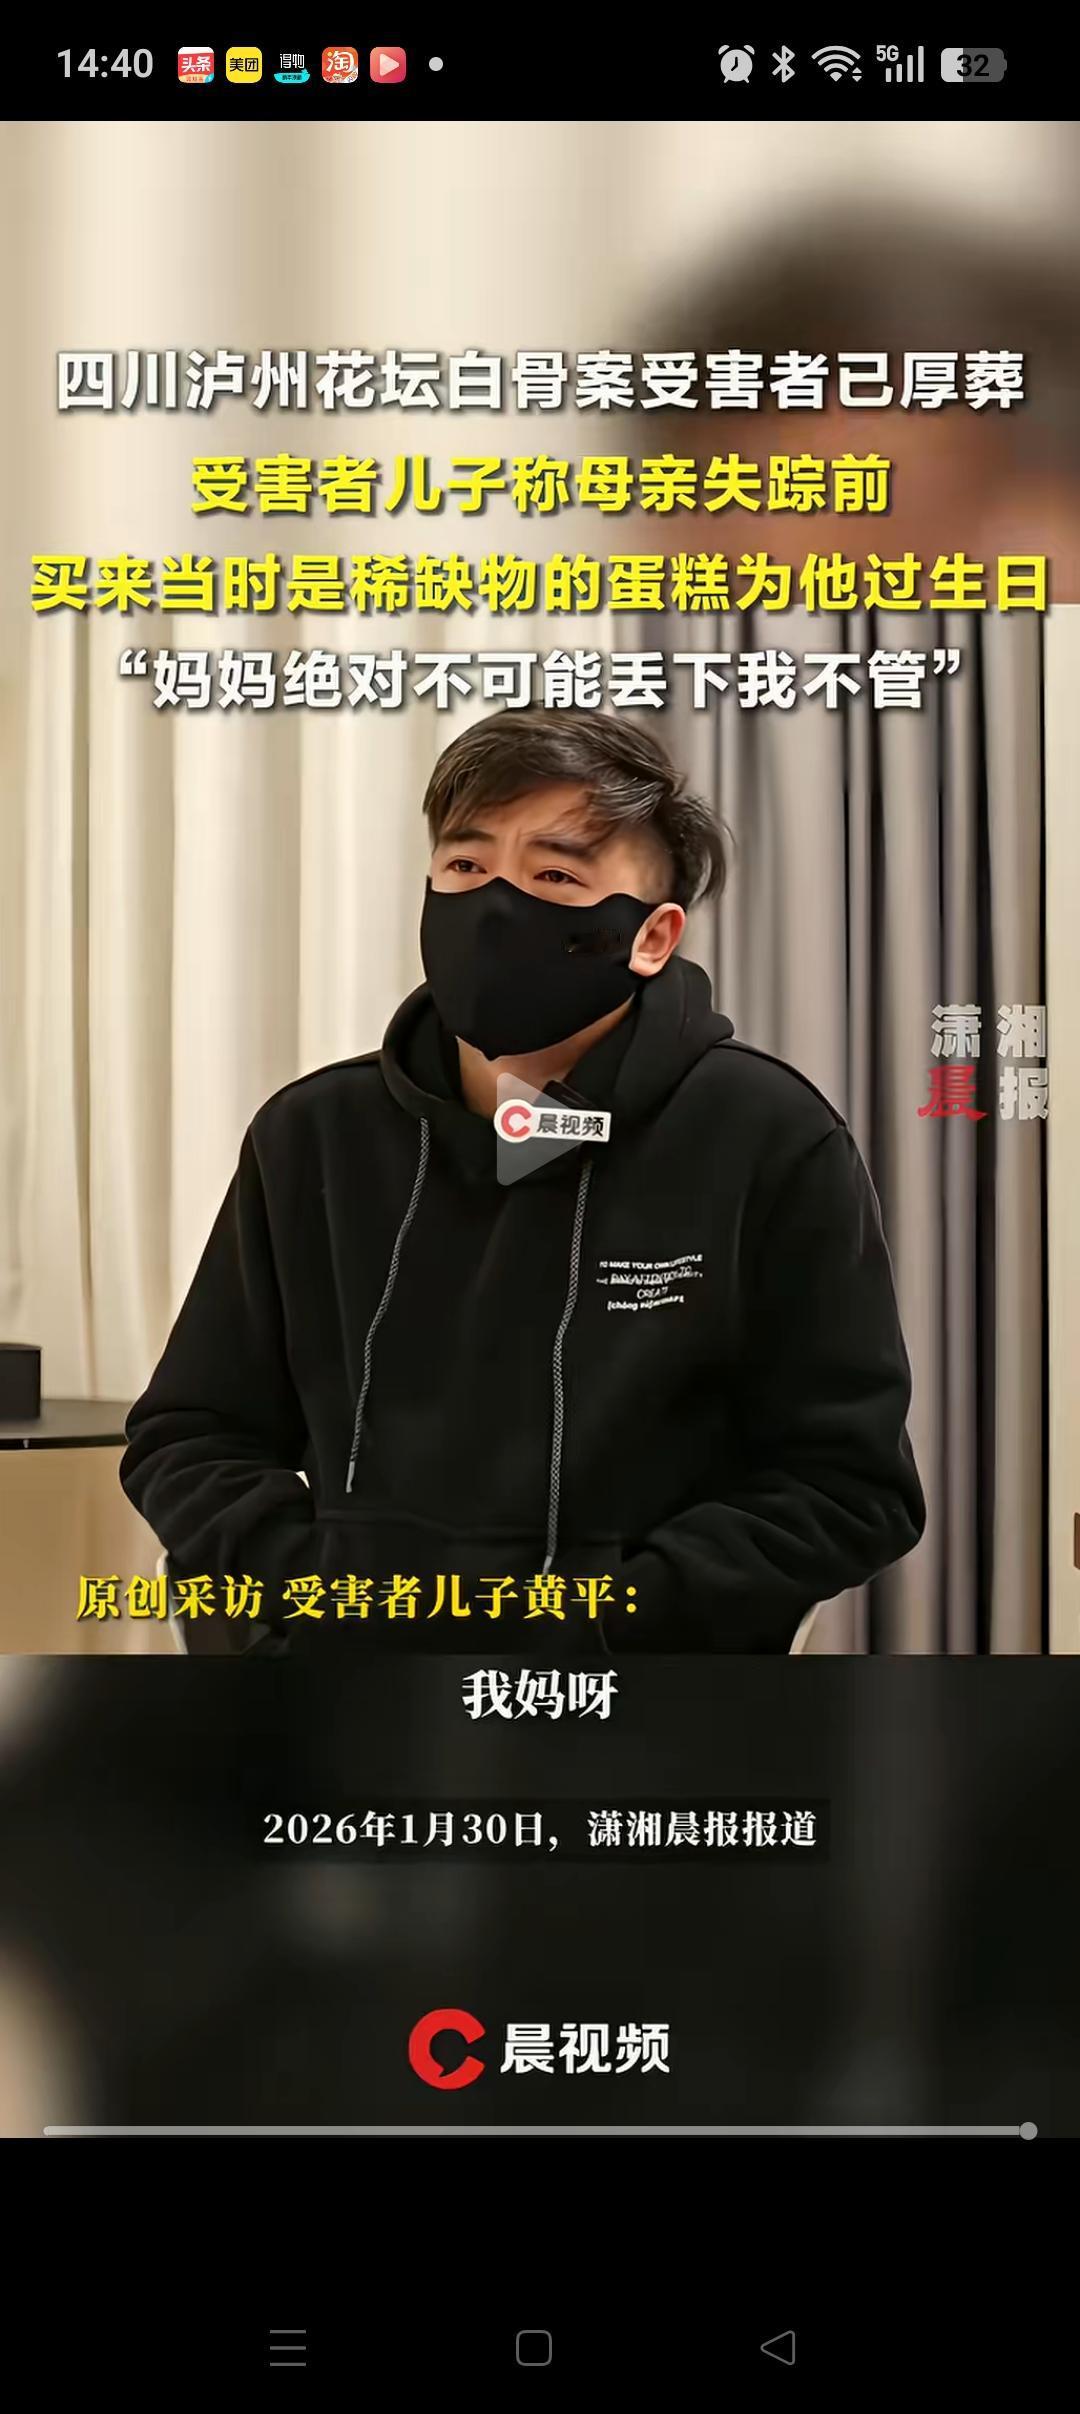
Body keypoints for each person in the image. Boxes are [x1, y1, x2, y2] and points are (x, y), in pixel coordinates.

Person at [120, 708, 925, 1657]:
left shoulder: (767, 1136)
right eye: (466, 866)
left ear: (653, 936)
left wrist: (607, 1618)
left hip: (631, 1695)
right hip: (345, 1685)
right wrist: (319, 1594)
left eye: (555, 877)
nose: (497, 906)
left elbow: (845, 1485)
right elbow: (192, 1434)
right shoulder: (312, 1136)